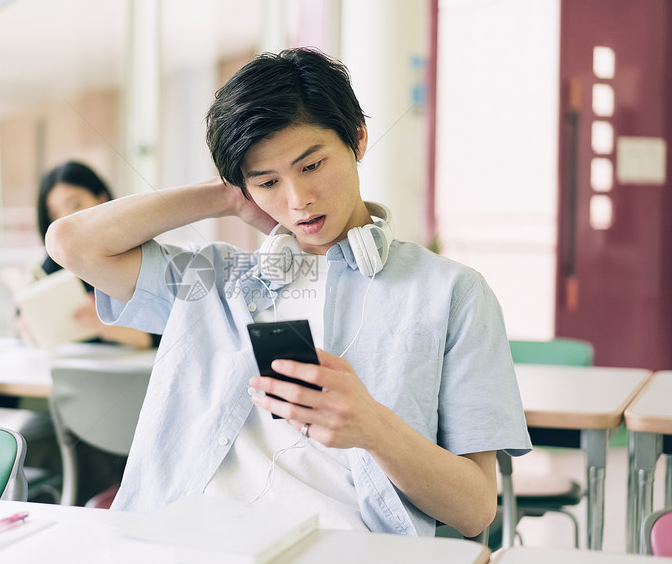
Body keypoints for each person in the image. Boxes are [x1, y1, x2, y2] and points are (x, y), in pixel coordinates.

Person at [45, 48, 531, 536]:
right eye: (268, 181)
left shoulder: (452, 294)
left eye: (312, 165)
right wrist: (223, 197)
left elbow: (475, 510)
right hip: (184, 539)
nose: (298, 200)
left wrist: (373, 427)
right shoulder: (215, 284)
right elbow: (71, 243)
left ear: (358, 138)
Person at [25, 160, 160, 350]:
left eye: (75, 204)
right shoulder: (53, 265)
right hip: (72, 370)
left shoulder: (138, 254)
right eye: (54, 214)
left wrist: (103, 326)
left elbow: (163, 333)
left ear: (102, 199)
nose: (64, 220)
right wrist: (26, 326)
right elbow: (22, 319)